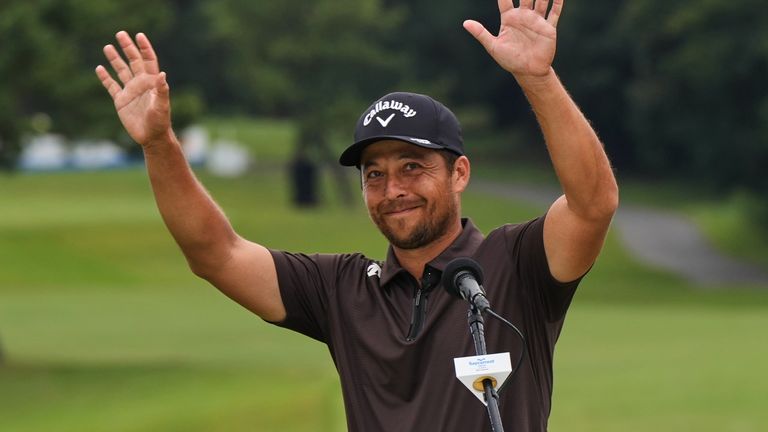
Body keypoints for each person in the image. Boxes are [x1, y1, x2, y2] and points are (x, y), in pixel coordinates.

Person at [96, 0, 618, 430]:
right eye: (374, 174)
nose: (393, 190)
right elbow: (217, 254)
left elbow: (592, 204)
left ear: (459, 173)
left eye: (413, 167)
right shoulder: (342, 290)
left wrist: (538, 79)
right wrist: (160, 144)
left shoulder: (515, 263)